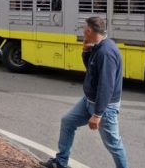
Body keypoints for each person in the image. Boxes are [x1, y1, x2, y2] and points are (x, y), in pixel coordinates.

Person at [41, 17, 128, 168]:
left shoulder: (106, 52)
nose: (82, 32)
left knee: (113, 144)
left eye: (83, 29)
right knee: (67, 122)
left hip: (104, 108)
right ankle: (61, 162)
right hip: (89, 101)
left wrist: (98, 114)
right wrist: (86, 51)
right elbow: (92, 70)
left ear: (89, 31)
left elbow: (106, 86)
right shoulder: (98, 47)